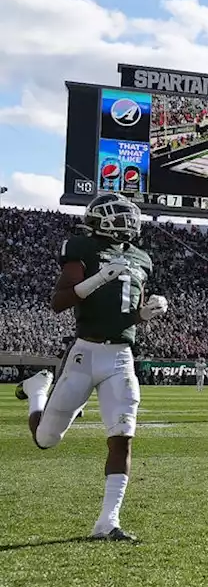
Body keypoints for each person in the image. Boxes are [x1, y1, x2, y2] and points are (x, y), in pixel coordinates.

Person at [13, 193, 169, 541]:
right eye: (118, 214)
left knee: (123, 438)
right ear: (98, 218)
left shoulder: (141, 257)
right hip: (84, 354)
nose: (127, 220)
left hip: (121, 356)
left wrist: (144, 314)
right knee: (46, 439)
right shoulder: (82, 247)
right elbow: (59, 301)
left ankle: (107, 522)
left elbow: (127, 311)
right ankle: (37, 390)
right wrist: (99, 278)